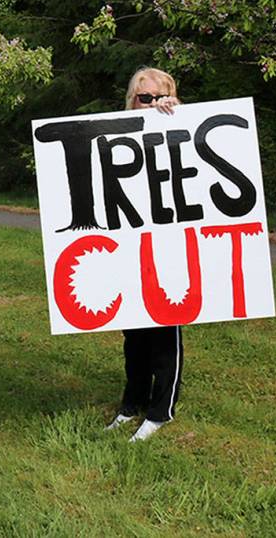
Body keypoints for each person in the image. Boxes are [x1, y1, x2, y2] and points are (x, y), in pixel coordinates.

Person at [106, 66, 182, 442]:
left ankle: (160, 410)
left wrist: (177, 112)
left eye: (158, 97)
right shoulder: (113, 134)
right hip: (129, 248)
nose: (151, 104)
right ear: (132, 100)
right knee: (134, 337)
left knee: (165, 331)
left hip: (169, 247)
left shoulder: (180, 127)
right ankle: (131, 404)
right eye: (144, 98)